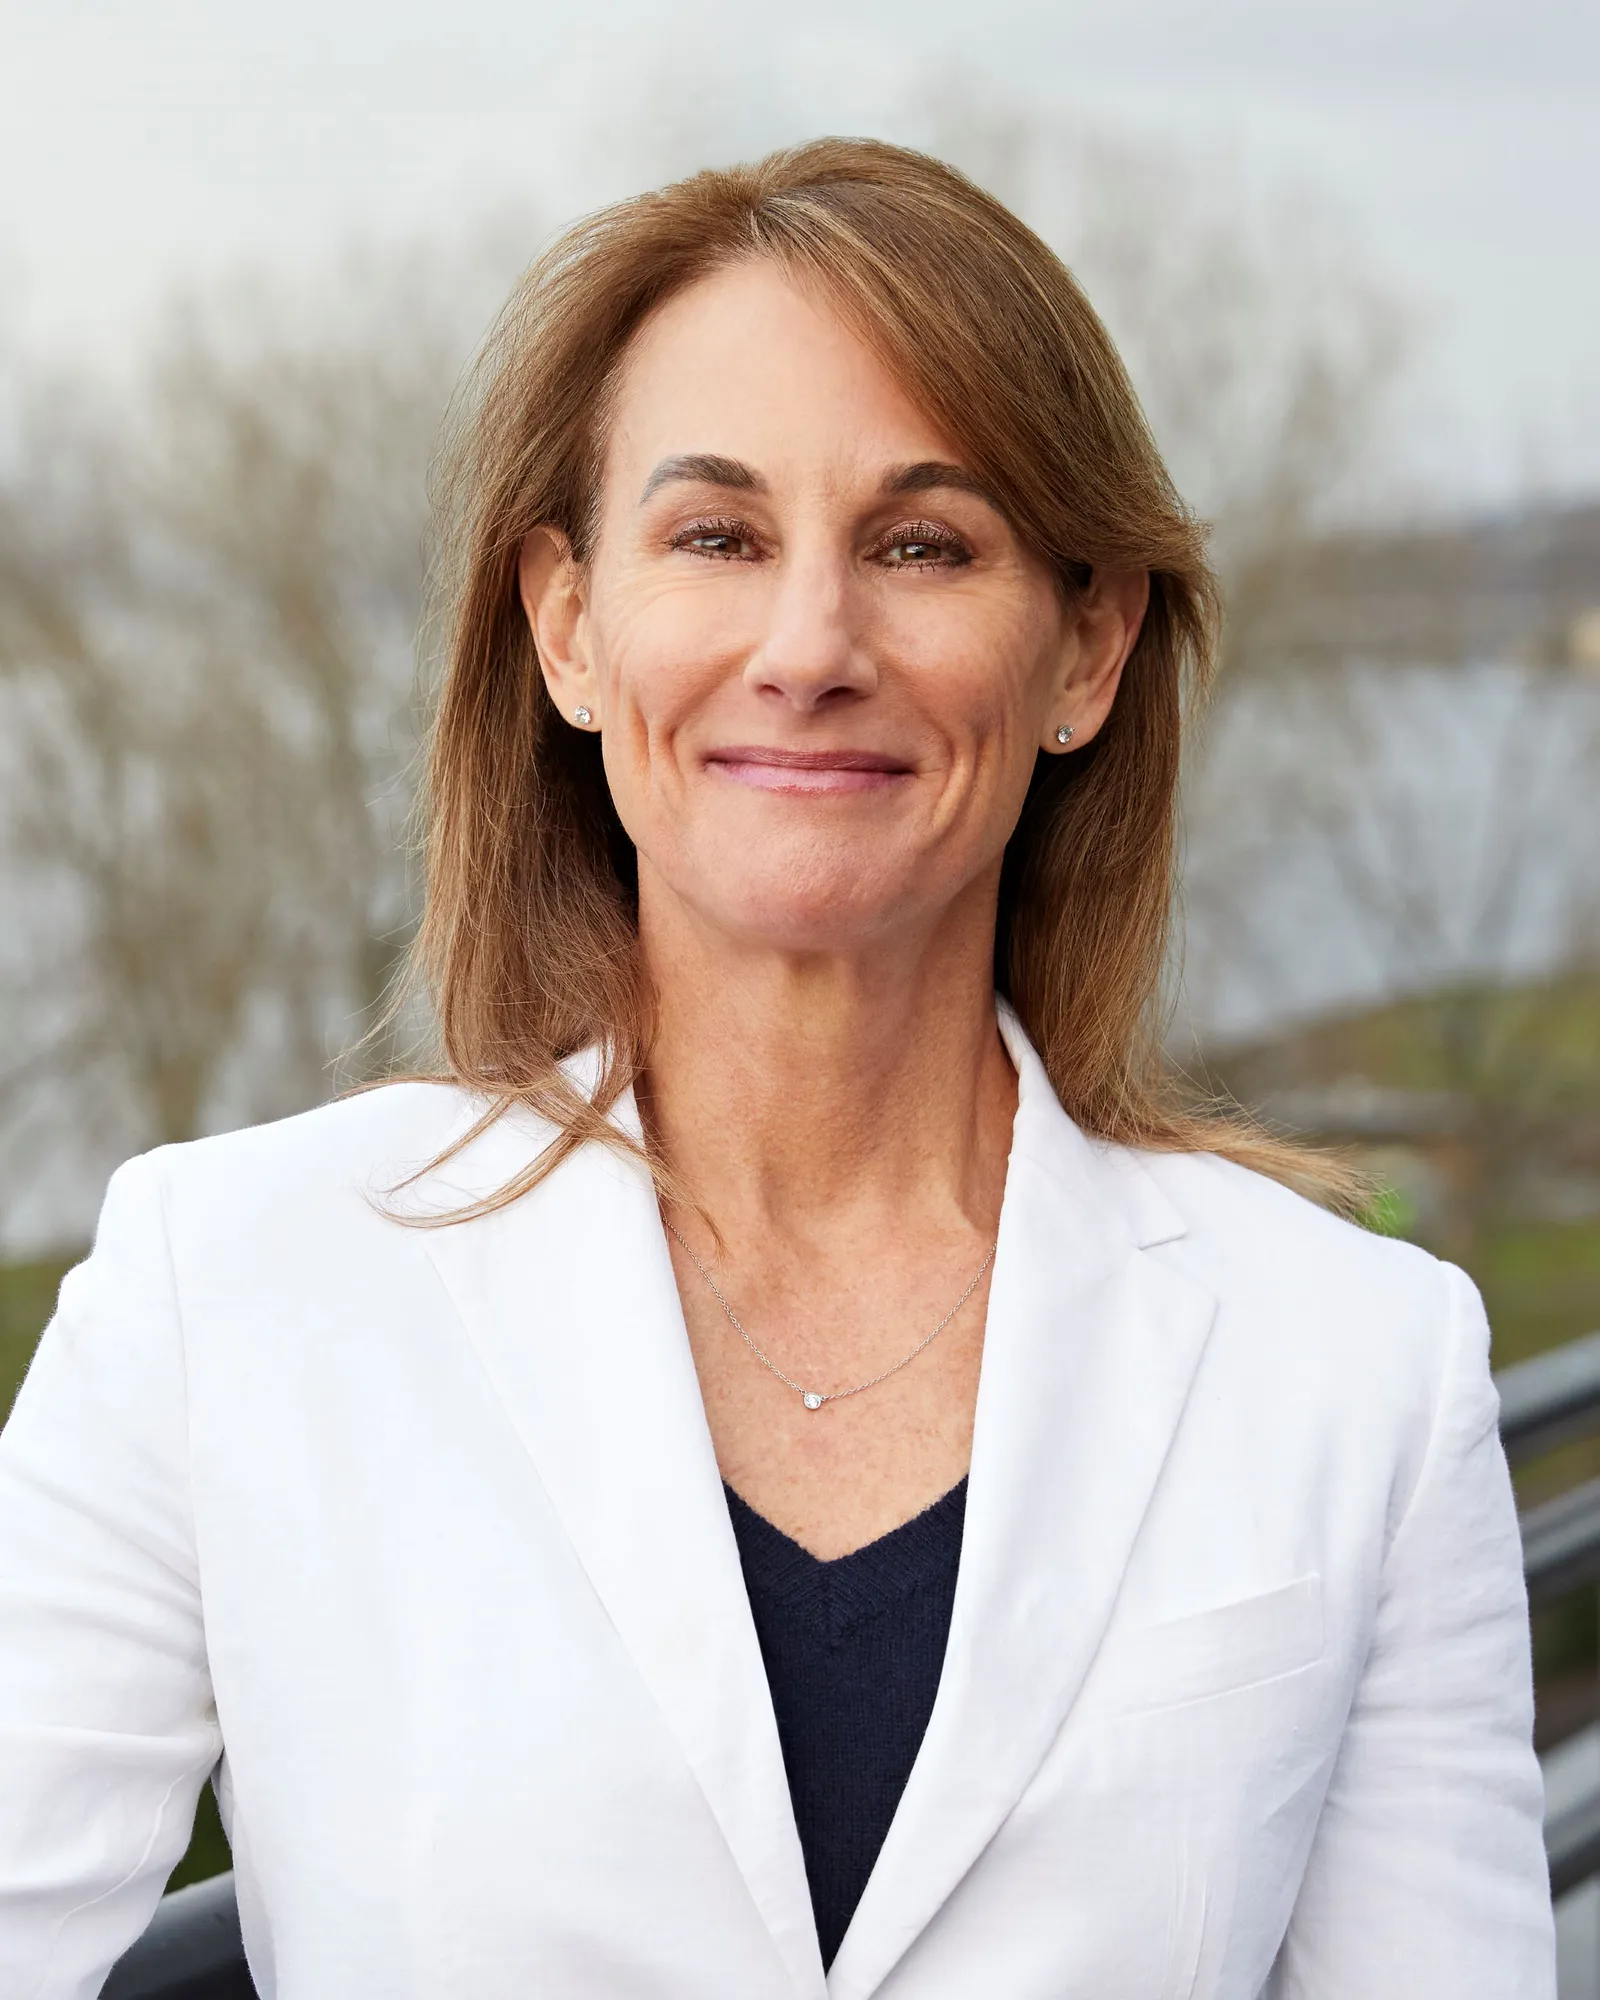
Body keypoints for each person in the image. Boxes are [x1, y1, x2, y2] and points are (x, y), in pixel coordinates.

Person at [0, 139, 1553, 1998]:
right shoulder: (221, 1289)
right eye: (718, 537)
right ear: (570, 629)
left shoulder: (1365, 1368)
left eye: (922, 544)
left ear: (1090, 646)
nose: (810, 647)